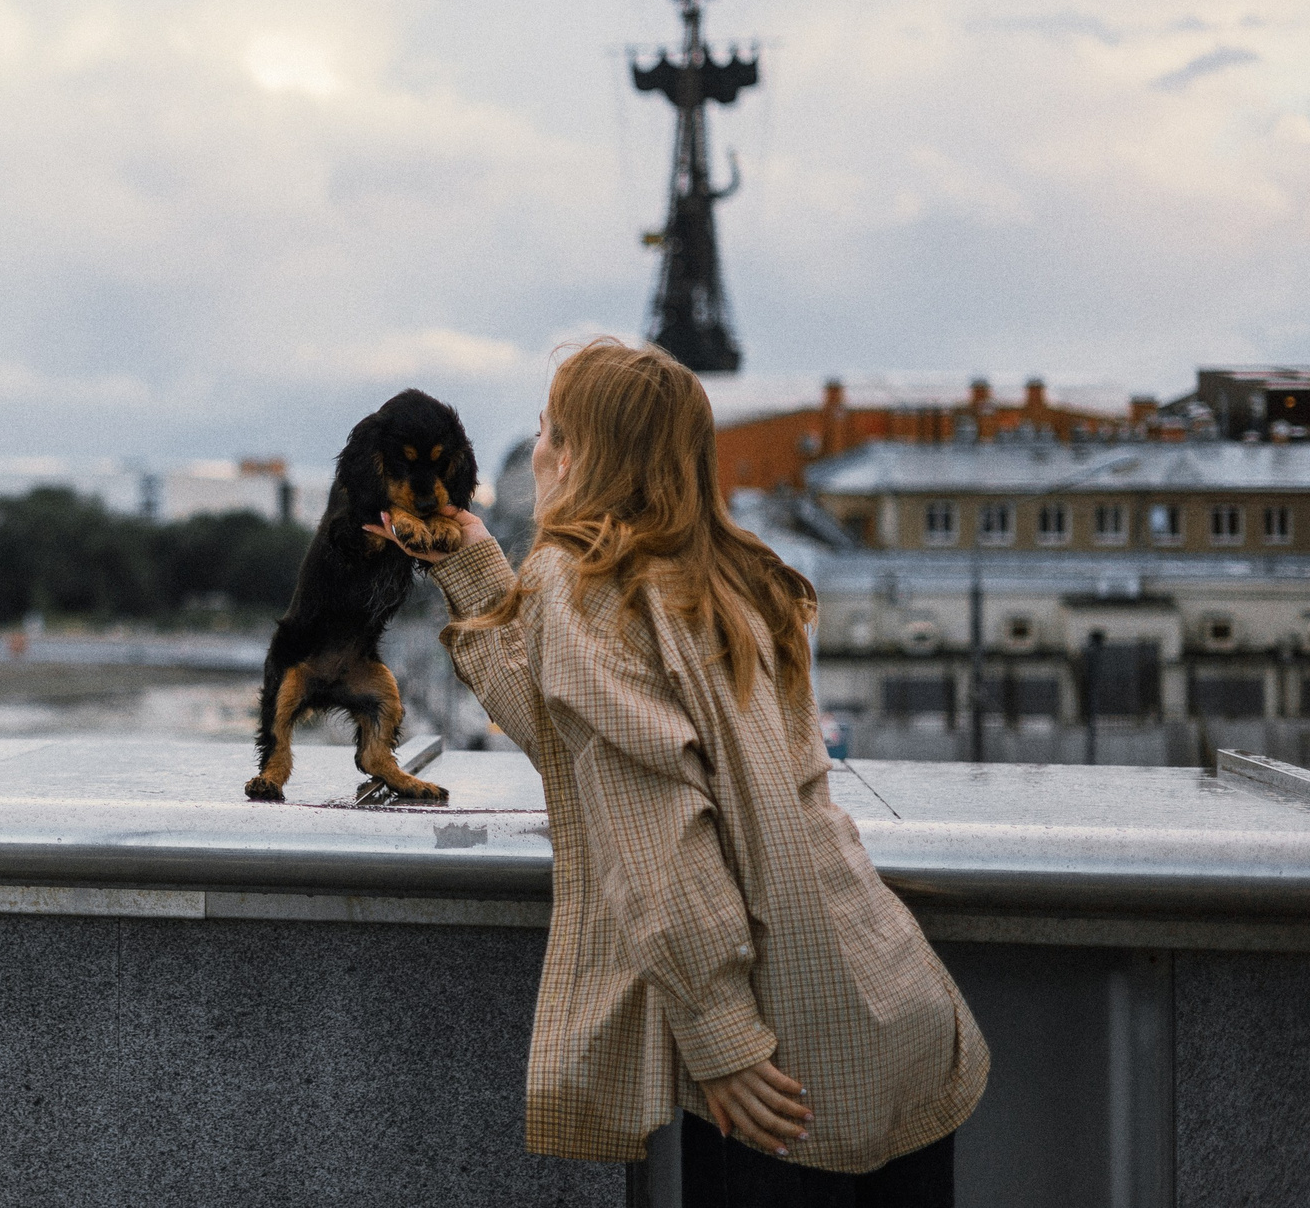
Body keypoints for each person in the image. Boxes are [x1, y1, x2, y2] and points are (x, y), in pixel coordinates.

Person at [371, 339, 985, 1204]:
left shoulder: (579, 588)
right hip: (889, 999)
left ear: (577, 455)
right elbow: (573, 736)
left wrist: (721, 1031)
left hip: (778, 1059)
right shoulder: (729, 580)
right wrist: (469, 564)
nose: (538, 451)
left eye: (549, 431)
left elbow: (660, 835)